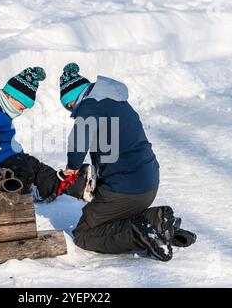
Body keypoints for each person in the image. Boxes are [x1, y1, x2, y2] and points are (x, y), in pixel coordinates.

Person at [57, 63, 196, 261]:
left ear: (74, 98)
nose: (72, 111)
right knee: (111, 220)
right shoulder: (116, 102)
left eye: (69, 106)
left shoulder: (90, 104)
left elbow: (80, 139)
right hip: (148, 185)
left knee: (84, 234)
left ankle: (142, 232)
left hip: (125, 189)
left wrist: (73, 166)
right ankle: (157, 222)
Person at [0, 66, 92, 203]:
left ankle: (70, 186)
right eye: (21, 108)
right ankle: (29, 195)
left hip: (3, 154)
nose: (20, 112)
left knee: (36, 166)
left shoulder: (0, 107)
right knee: (24, 172)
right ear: (12, 97)